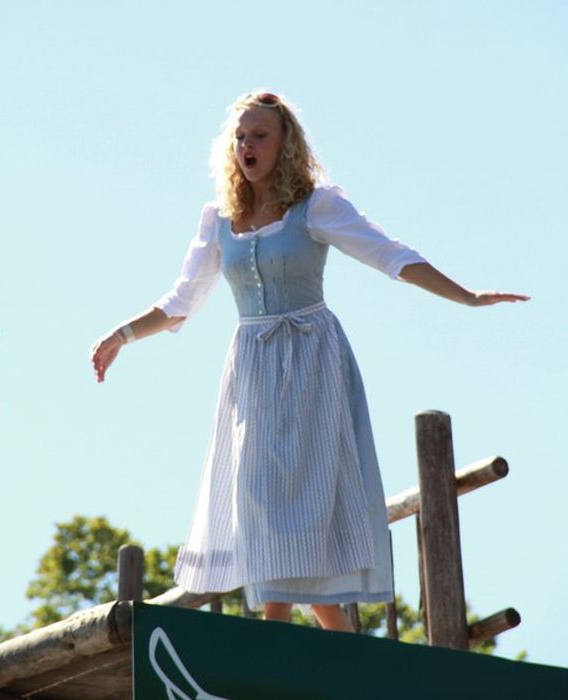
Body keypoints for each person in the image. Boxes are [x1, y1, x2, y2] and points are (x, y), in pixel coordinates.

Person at [90, 91, 529, 633]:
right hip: (252, 371)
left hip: (313, 363)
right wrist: (122, 335)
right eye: (240, 136)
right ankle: (340, 662)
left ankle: (275, 641)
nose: (248, 145)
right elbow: (182, 301)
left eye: (260, 136)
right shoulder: (219, 219)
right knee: (260, 503)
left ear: (285, 145)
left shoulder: (315, 206)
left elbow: (388, 253)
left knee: (303, 505)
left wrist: (466, 296)